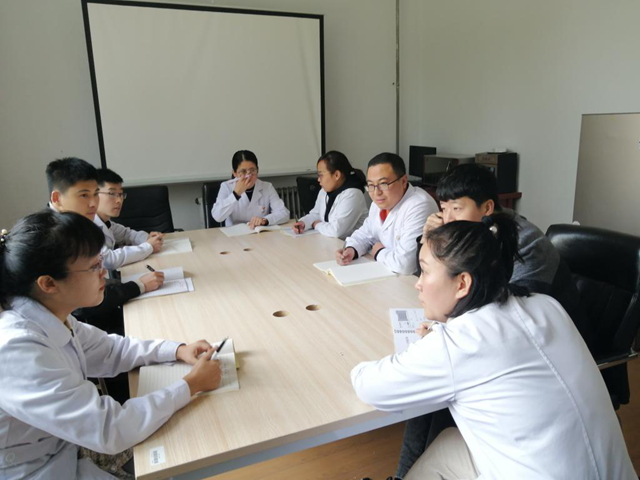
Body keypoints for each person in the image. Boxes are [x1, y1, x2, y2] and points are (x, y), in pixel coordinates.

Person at [351, 213, 636, 480]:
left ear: (462, 283)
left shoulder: (459, 343)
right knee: (449, 442)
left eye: (424, 272)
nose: (418, 284)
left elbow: (368, 386)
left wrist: (434, 344)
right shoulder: (546, 304)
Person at [395, 163, 588, 479]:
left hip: (543, 351)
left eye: (457, 208)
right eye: (443, 208)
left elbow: (502, 308)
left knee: (442, 386)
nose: (448, 218)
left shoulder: (523, 243)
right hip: (508, 340)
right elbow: (439, 282)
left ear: (486, 208)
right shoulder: (476, 237)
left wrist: (446, 332)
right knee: (433, 386)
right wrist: (432, 241)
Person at [0, 209, 221, 480]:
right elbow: (110, 429)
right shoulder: (17, 348)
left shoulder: (47, 313)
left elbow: (110, 350)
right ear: (48, 283)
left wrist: (176, 349)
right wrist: (191, 385)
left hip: (66, 450)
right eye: (94, 266)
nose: (104, 272)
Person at [46, 157, 164, 334]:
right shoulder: (53, 237)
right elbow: (82, 304)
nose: (93, 203)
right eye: (84, 195)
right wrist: (137, 286)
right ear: (57, 198)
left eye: (95, 194)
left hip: (88, 321)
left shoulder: (75, 223)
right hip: (82, 326)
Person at [336, 153, 438, 275]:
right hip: (387, 273)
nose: (376, 192)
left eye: (383, 184)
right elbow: (366, 234)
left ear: (403, 181)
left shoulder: (419, 205)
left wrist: (379, 252)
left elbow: (405, 264)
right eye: (371, 185)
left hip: (413, 280)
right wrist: (351, 249)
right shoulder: (379, 203)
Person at [96, 168, 164, 271]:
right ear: (93, 195)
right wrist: (148, 246)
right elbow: (108, 261)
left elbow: (126, 234)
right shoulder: (86, 227)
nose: (119, 200)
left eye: (120, 194)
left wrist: (147, 238)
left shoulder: (106, 222)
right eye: (112, 194)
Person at [293, 151, 368, 239]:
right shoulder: (324, 191)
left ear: (336, 175)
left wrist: (316, 225)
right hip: (330, 242)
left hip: (348, 245)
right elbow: (316, 214)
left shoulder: (353, 194)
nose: (318, 179)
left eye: (321, 175)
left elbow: (336, 231)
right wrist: (303, 222)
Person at [211, 150, 290, 228]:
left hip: (260, 233)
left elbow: (284, 213)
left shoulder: (267, 187)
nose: (249, 176)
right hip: (235, 233)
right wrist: (236, 194)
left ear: (257, 170)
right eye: (243, 171)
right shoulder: (226, 186)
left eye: (252, 170)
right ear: (234, 173)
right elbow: (217, 216)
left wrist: (265, 220)